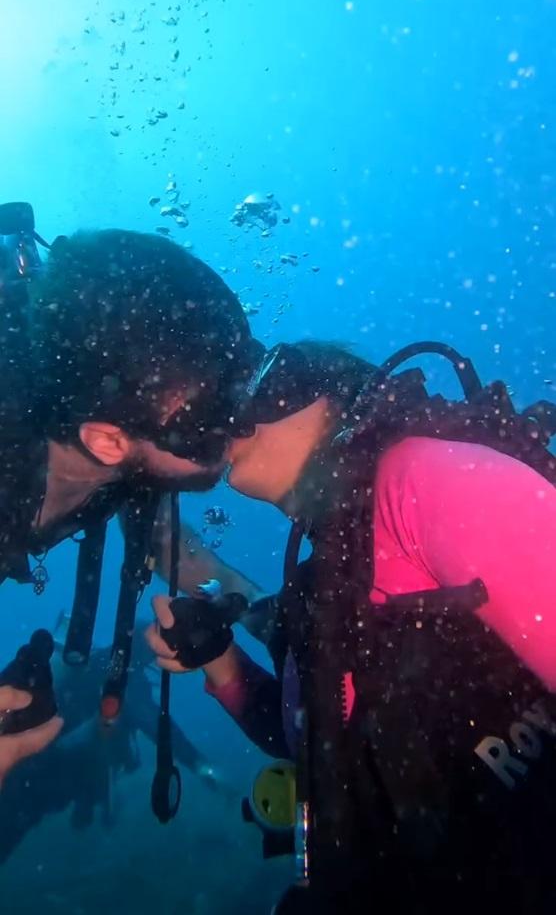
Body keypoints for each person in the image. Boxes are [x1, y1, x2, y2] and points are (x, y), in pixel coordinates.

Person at [149, 339, 556, 914]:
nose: (235, 424)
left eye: (264, 383)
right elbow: (319, 741)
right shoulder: (329, 576)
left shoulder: (420, 481)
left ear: (331, 394)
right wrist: (222, 660)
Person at [0, 222, 261, 788]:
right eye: (208, 424)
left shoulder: (133, 442)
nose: (244, 432)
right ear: (108, 442)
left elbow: (175, 551)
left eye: (245, 388)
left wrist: (278, 618)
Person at [0, 620, 230, 864]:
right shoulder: (124, 680)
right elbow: (157, 726)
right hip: (50, 776)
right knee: (11, 827)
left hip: (30, 767)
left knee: (11, 822)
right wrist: (200, 765)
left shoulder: (93, 660)